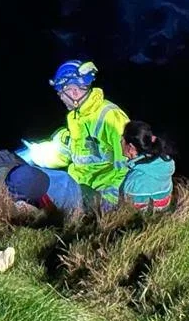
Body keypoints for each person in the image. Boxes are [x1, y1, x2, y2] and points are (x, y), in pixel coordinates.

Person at [22, 59, 131, 211]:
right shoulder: (75, 117)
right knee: (32, 178)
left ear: (73, 91)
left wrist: (110, 203)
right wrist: (36, 155)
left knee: (40, 186)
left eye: (61, 92)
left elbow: (127, 165)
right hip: (79, 188)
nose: (60, 97)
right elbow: (70, 154)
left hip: (102, 197)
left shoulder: (111, 116)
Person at [120, 120, 175, 211]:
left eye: (122, 140)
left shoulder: (133, 182)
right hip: (164, 210)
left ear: (131, 147)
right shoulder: (165, 162)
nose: (120, 142)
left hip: (141, 217)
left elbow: (126, 211)